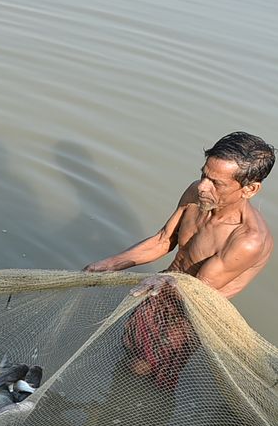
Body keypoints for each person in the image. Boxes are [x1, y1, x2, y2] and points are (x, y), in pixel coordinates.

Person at [83, 131, 274, 388]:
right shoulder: (198, 193)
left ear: (249, 189)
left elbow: (195, 290)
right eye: (204, 174)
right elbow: (164, 240)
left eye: (216, 183)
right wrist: (110, 264)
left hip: (187, 316)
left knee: (143, 372)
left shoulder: (248, 239)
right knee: (128, 344)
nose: (203, 186)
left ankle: (144, 414)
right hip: (159, 290)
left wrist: (155, 284)